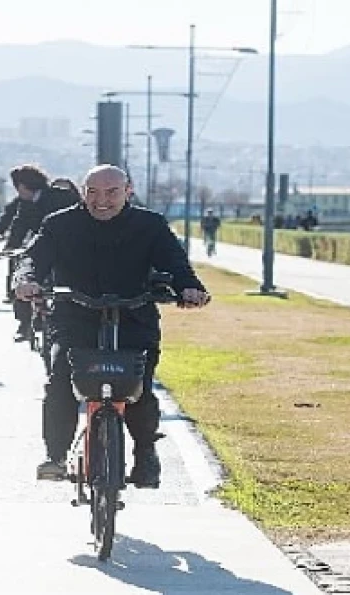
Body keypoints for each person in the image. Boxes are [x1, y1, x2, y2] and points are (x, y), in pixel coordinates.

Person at [14, 165, 210, 486]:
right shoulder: (59, 224)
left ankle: (146, 453)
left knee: (139, 388)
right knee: (61, 380)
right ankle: (55, 456)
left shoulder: (150, 225)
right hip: (75, 318)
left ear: (128, 191)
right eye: (92, 192)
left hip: (134, 317)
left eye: (111, 192)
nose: (101, 200)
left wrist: (189, 288)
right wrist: (26, 280)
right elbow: (33, 258)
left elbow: (175, 264)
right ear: (82, 192)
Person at [0, 164, 81, 342]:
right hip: (41, 247)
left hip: (68, 248)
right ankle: (24, 324)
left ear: (22, 186)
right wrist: (10, 248)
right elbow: (19, 226)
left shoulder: (62, 196)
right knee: (22, 274)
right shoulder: (25, 204)